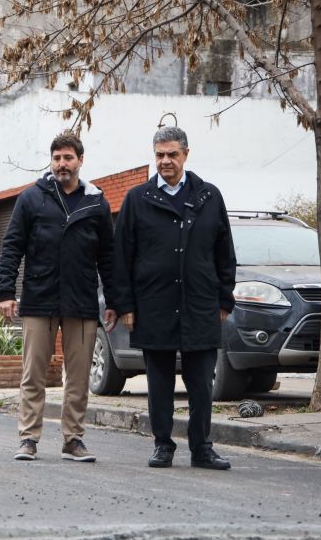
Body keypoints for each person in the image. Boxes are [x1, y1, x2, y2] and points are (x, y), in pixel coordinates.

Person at [111, 126, 237, 471]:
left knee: (200, 384)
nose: (165, 161)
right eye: (159, 155)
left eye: (172, 154)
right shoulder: (137, 199)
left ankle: (202, 448)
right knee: (160, 383)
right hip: (154, 304)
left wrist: (224, 300)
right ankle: (162, 445)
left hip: (200, 304)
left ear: (185, 154)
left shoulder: (210, 197)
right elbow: (121, 257)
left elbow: (224, 253)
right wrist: (125, 306)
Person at [0, 132, 116, 464]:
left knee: (77, 377)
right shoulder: (31, 198)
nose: (62, 164)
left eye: (68, 158)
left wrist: (116, 302)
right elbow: (11, 247)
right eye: (57, 158)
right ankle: (28, 438)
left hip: (81, 301)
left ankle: (73, 439)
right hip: (39, 298)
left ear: (80, 160)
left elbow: (108, 257)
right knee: (33, 374)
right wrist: (6, 292)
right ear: (51, 161)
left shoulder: (96, 202)